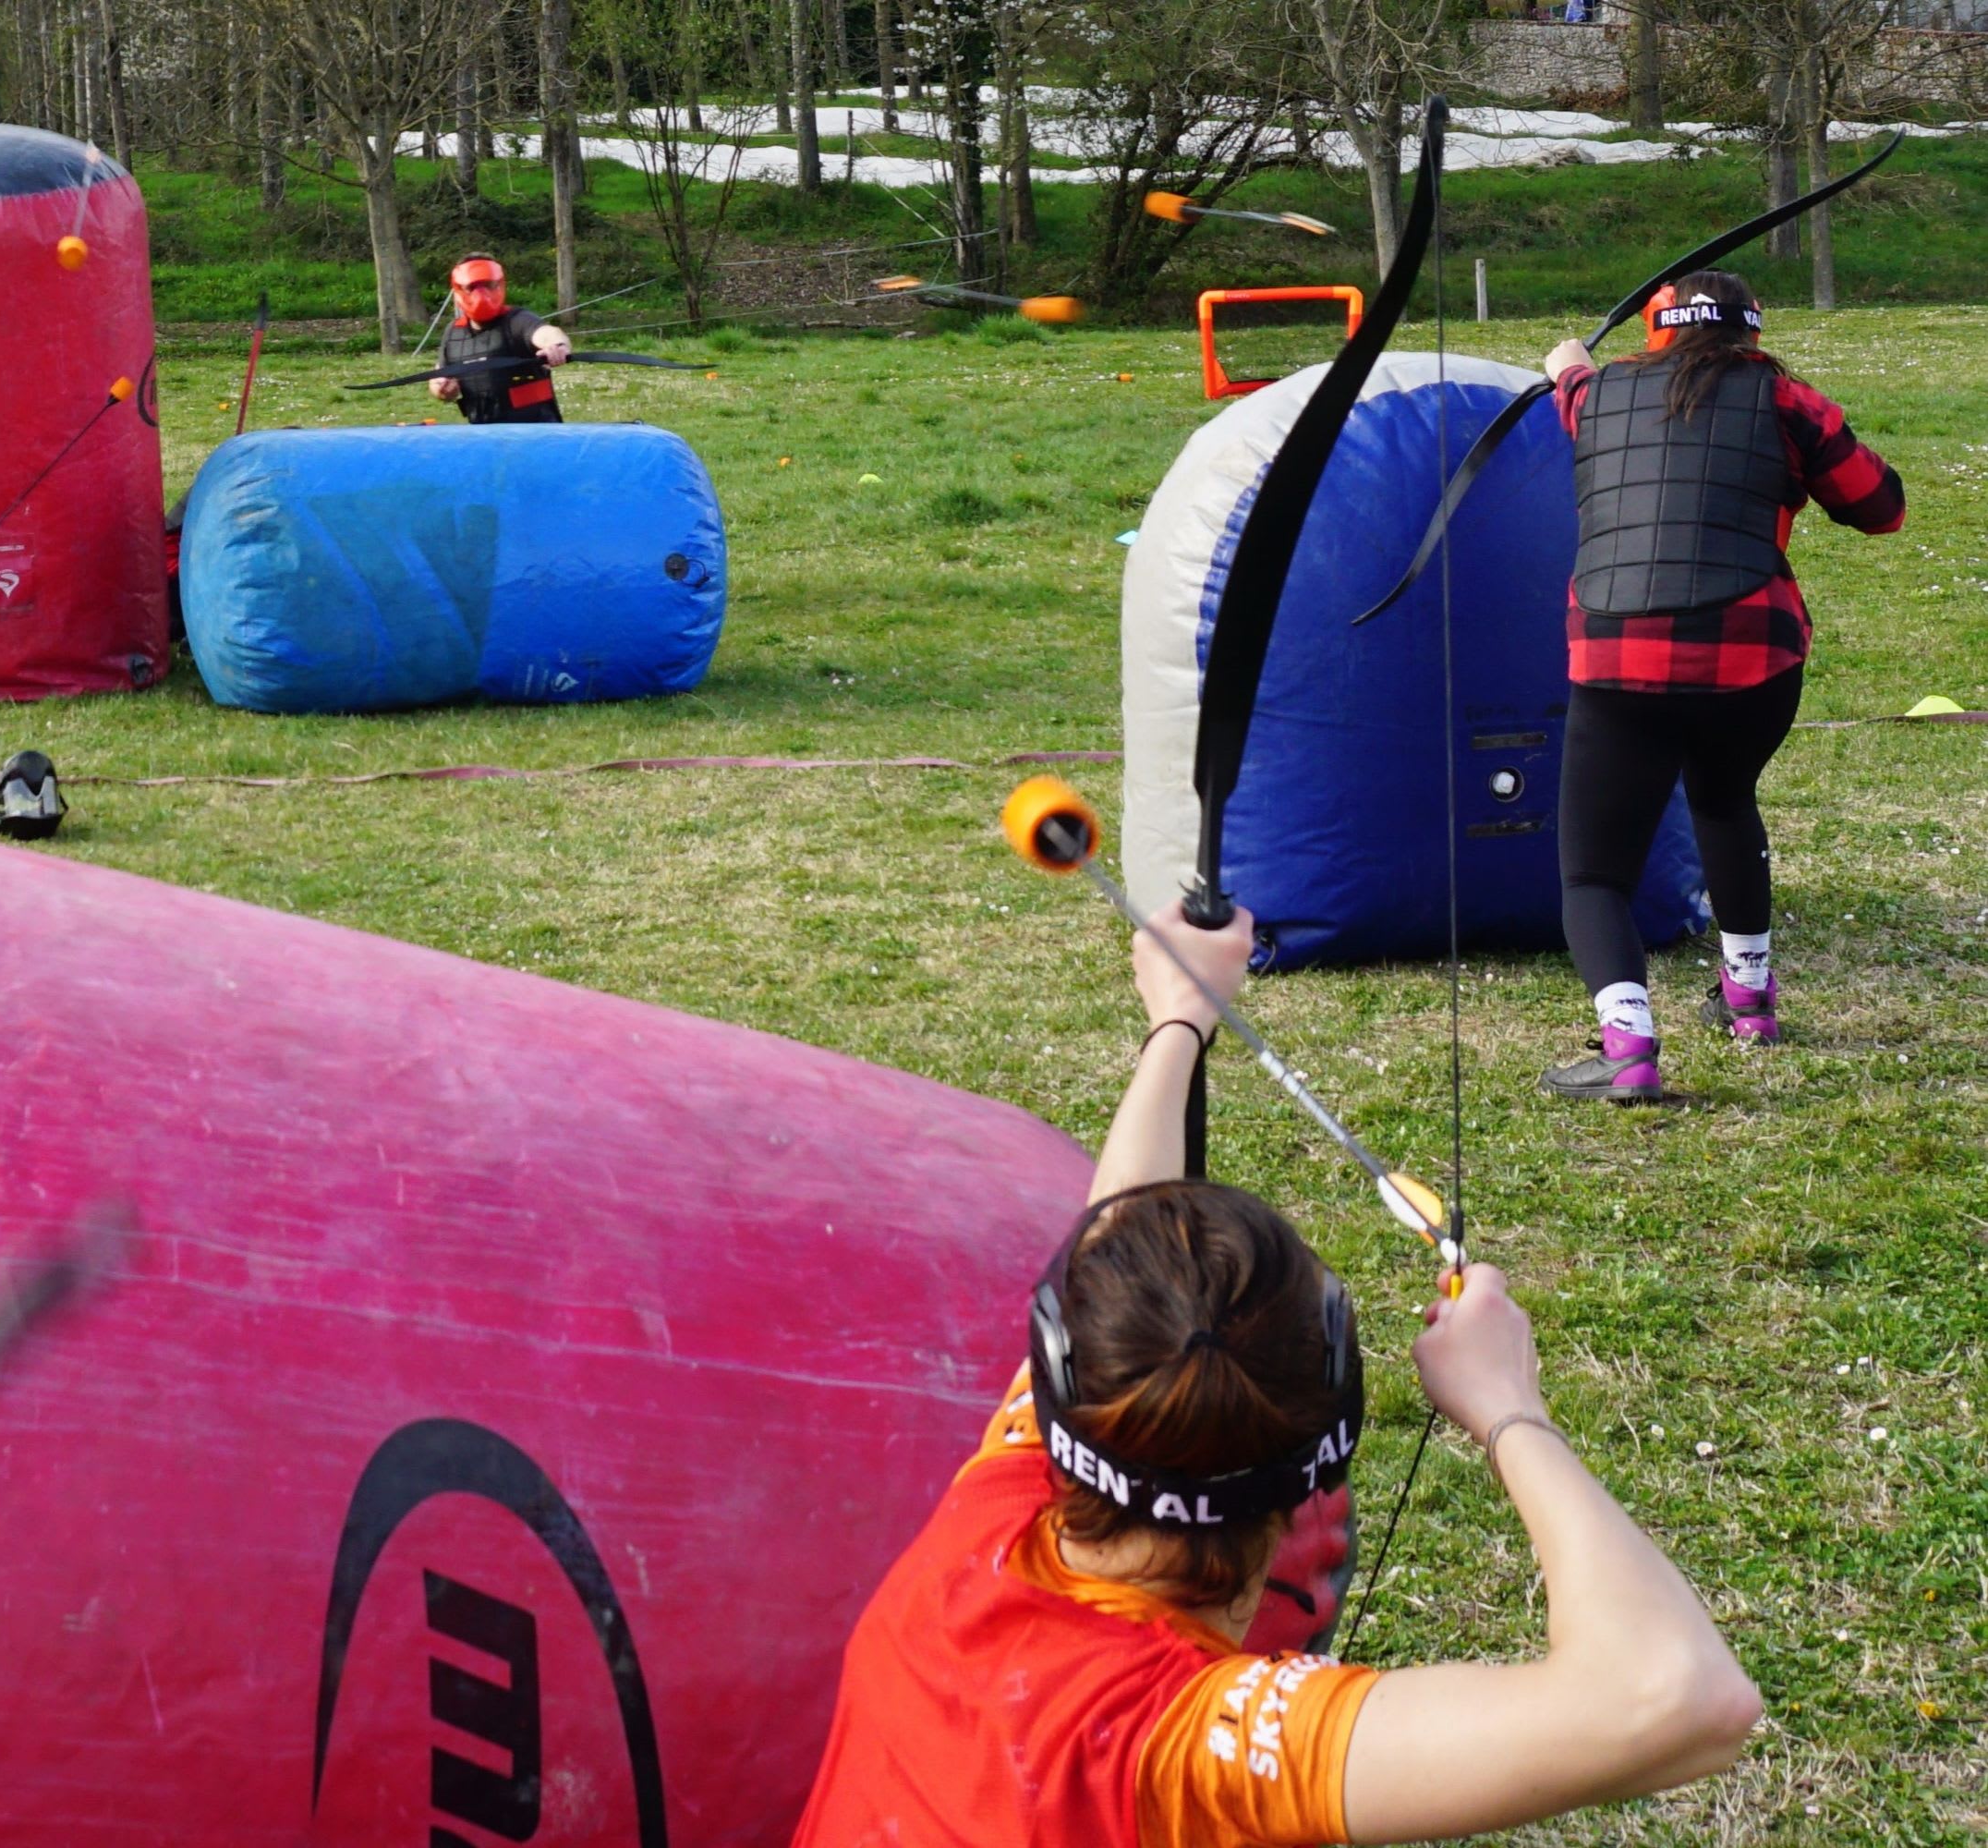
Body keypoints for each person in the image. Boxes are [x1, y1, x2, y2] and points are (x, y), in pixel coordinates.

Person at [793, 903, 1763, 1846]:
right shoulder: (1173, 1744)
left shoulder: (1000, 1510)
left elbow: (1115, 1245)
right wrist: (1511, 1410)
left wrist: (1179, 1018)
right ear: (1321, 1449)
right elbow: (1679, 1694)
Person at [1536, 270, 1905, 1101]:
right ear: (1750, 332)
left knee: (1594, 875)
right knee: (1724, 801)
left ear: (1657, 332)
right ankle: (1748, 999)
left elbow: (1572, 384)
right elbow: (1881, 509)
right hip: (1752, 655)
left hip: (1614, 654)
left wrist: (1564, 364)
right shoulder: (1789, 402)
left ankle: (1627, 1048)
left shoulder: (1594, 396)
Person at [429, 253, 571, 425]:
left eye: (488, 285)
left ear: (499, 285)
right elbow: (438, 378)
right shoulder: (453, 333)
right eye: (472, 287)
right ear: (460, 290)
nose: (481, 294)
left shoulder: (517, 320)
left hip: (535, 433)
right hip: (485, 434)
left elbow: (548, 333)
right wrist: (442, 390)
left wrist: (557, 347)